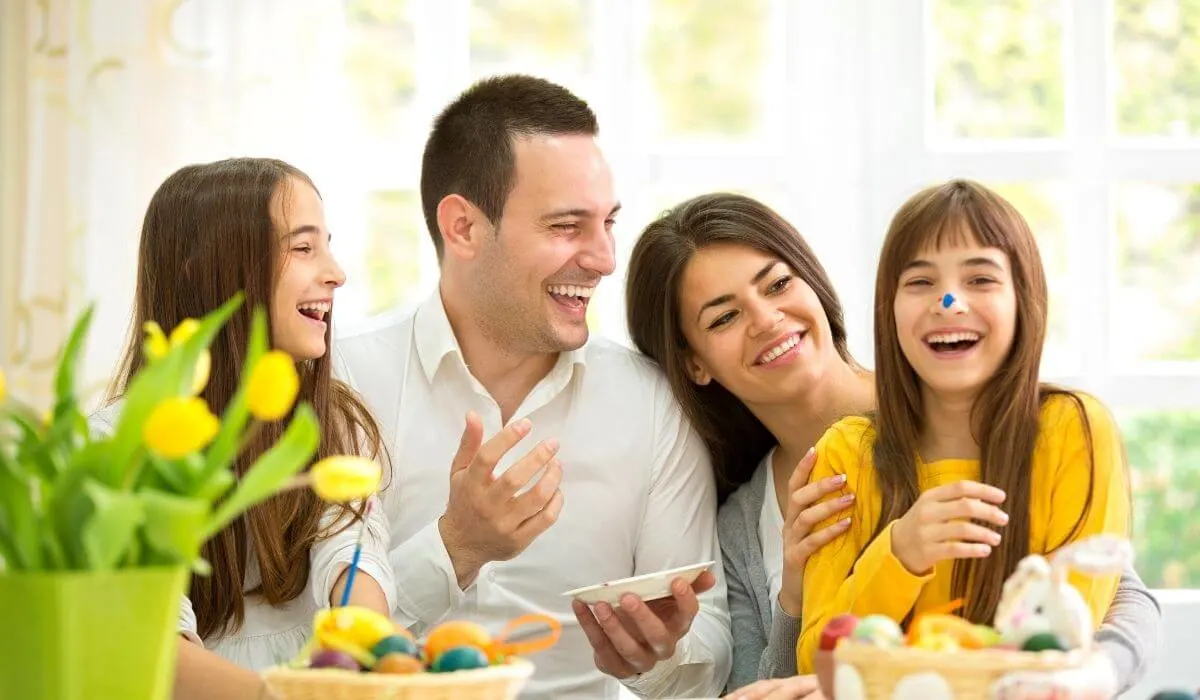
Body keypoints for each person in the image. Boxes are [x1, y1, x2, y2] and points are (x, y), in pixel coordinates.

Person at [624, 191, 1160, 697]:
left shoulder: (968, 406)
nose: (766, 319)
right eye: (724, 317)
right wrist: (795, 593)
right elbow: (765, 687)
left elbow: (1113, 595)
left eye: (778, 284)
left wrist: (1090, 670)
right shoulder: (743, 521)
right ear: (694, 363)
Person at [333, 75, 731, 699]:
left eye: (608, 223)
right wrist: (456, 547)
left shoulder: (651, 402)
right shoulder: (345, 382)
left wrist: (657, 655)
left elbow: (707, 646)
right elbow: (311, 651)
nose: (604, 258)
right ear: (462, 227)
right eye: (567, 226)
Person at [793, 179, 1131, 676]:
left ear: (1024, 300)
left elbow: (1061, 646)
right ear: (888, 310)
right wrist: (900, 553)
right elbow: (818, 664)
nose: (949, 303)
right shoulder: (846, 452)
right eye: (921, 282)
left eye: (980, 279)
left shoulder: (1075, 430)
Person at [97, 158, 394, 700]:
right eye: (303, 248)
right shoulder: (113, 451)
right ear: (206, 267)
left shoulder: (331, 422)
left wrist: (377, 659)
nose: (336, 272)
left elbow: (350, 556)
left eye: (326, 244)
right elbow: (154, 647)